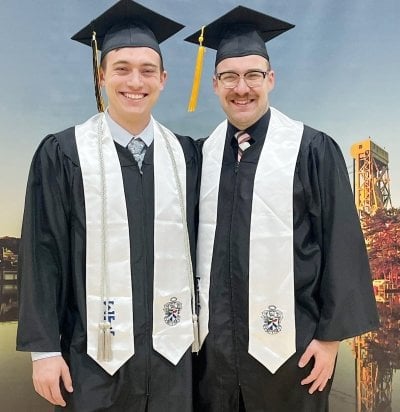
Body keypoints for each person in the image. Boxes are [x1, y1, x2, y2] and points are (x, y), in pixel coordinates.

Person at [185, 5, 379, 412]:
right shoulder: (202, 157)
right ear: (215, 85)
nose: (242, 88)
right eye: (230, 77)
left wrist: (329, 341)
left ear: (271, 79)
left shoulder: (310, 150)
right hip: (214, 359)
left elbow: (341, 245)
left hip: (293, 357)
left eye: (253, 75)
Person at [16, 1, 200, 411]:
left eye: (147, 70)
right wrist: (43, 350)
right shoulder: (64, 153)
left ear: (164, 79)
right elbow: (42, 253)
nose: (135, 81)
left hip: (174, 361)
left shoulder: (185, 155)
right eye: (121, 68)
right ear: (101, 76)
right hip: (95, 359)